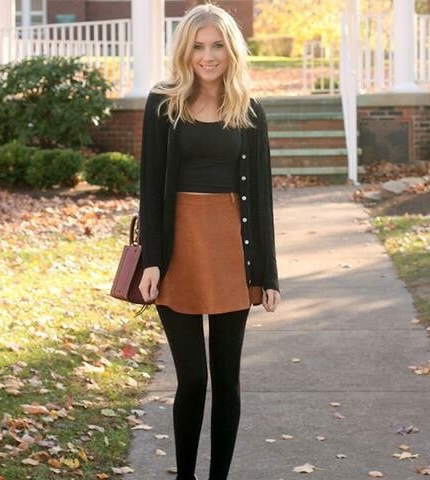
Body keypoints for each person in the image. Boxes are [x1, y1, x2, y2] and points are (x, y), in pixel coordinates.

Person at [137, 4, 282, 480]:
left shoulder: (249, 110)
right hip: (177, 249)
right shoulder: (163, 103)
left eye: (217, 45)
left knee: (226, 378)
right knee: (193, 378)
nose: (208, 55)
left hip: (230, 250)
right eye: (198, 46)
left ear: (231, 49)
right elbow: (150, 187)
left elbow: (260, 196)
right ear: (185, 51)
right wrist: (152, 259)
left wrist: (268, 274)